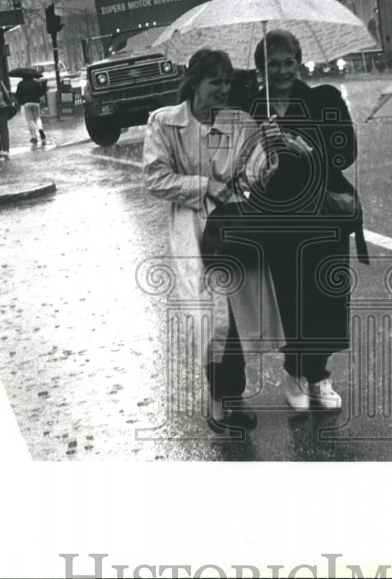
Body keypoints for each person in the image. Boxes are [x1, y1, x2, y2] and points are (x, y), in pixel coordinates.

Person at [143, 48, 284, 433]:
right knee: (211, 319)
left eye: (227, 81)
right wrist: (205, 185)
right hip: (192, 228)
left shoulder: (241, 122)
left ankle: (231, 396)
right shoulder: (163, 123)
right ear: (194, 82)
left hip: (233, 226)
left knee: (236, 317)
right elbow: (156, 179)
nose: (223, 88)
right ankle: (221, 403)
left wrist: (269, 151)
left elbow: (254, 178)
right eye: (215, 81)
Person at [243, 29, 367, 412]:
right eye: (273, 64)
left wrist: (304, 146)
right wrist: (260, 146)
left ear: (299, 63)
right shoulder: (252, 109)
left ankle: (320, 374)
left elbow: (346, 154)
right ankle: (296, 371)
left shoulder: (321, 100)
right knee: (289, 298)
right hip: (276, 221)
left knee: (326, 299)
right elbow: (239, 169)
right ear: (261, 69)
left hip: (322, 215)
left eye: (288, 62)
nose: (282, 70)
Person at [15, 75, 47, 146]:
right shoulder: (36, 83)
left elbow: (18, 94)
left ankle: (33, 136)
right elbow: (41, 93)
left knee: (30, 120)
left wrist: (20, 102)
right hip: (36, 103)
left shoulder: (21, 84)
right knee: (37, 118)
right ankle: (40, 129)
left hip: (27, 104)